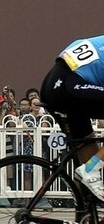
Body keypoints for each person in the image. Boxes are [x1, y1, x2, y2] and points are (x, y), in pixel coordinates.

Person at [40, 36, 104, 201]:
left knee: (87, 147)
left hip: (56, 84)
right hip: (68, 86)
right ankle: (91, 170)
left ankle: (84, 217)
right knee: (91, 169)